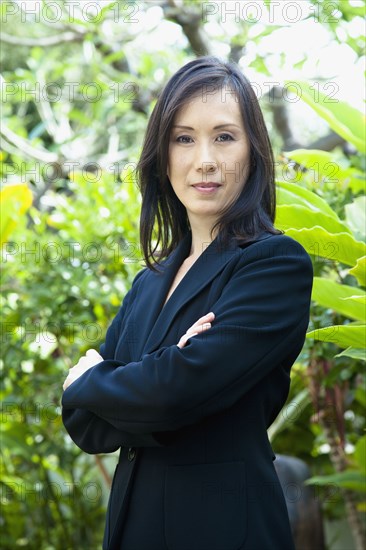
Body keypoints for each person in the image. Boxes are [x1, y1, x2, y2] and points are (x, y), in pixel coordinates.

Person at [62, 56, 313, 550]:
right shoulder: (148, 282)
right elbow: (86, 425)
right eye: (183, 138)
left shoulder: (273, 265)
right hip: (134, 530)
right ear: (163, 154)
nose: (205, 160)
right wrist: (166, 370)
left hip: (223, 530)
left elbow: (172, 394)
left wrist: (99, 380)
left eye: (224, 136)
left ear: (253, 151)